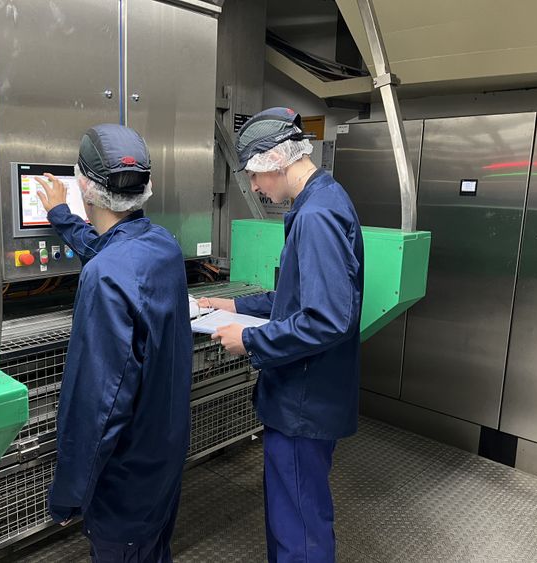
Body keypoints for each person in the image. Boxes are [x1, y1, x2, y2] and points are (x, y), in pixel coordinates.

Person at [199, 107, 364, 563]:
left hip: (302, 404)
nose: (254, 186)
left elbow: (327, 318)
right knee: (294, 514)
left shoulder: (317, 217)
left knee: (300, 529)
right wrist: (235, 307)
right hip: (311, 395)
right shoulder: (324, 199)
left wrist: (250, 341)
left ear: (276, 160)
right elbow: (299, 296)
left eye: (255, 174)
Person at [35, 124, 193, 563]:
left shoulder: (104, 278)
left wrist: (68, 494)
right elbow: (111, 249)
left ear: (84, 189)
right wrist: (61, 216)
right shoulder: (162, 246)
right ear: (147, 186)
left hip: (124, 486)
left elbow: (97, 408)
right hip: (161, 464)